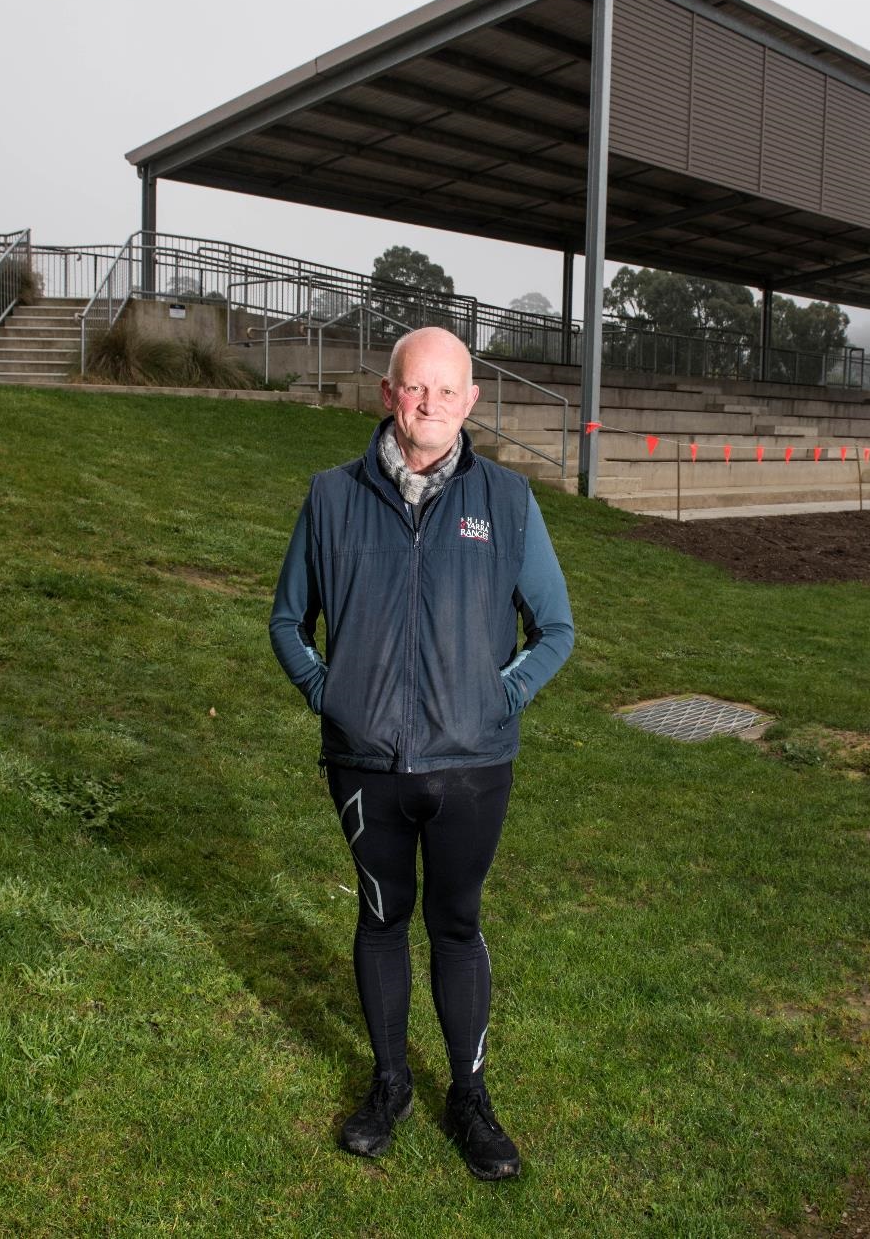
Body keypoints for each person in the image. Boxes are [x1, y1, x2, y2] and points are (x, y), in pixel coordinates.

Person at [269, 326, 575, 1182]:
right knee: (380, 918)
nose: (430, 404)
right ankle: (391, 1083)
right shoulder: (332, 498)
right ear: (388, 393)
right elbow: (288, 623)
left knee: (457, 923)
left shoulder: (508, 503)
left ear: (471, 402)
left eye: (447, 391)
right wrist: (333, 697)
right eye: (415, 388)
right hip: (364, 766)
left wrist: (497, 698)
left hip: (472, 769)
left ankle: (469, 1098)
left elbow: (554, 631)